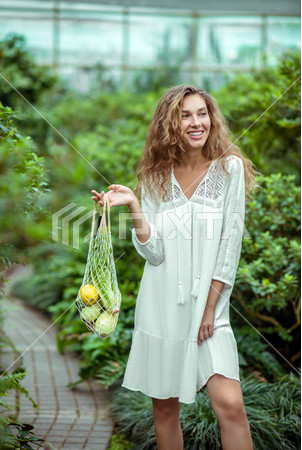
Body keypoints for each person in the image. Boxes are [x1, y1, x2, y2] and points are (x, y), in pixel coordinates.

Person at [91, 85, 257, 450]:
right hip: (162, 305)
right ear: (170, 123)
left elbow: (230, 245)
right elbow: (154, 254)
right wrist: (135, 205)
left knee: (230, 406)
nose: (196, 122)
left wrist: (211, 309)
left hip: (210, 309)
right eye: (185, 115)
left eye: (202, 113)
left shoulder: (228, 169)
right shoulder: (155, 177)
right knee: (165, 411)